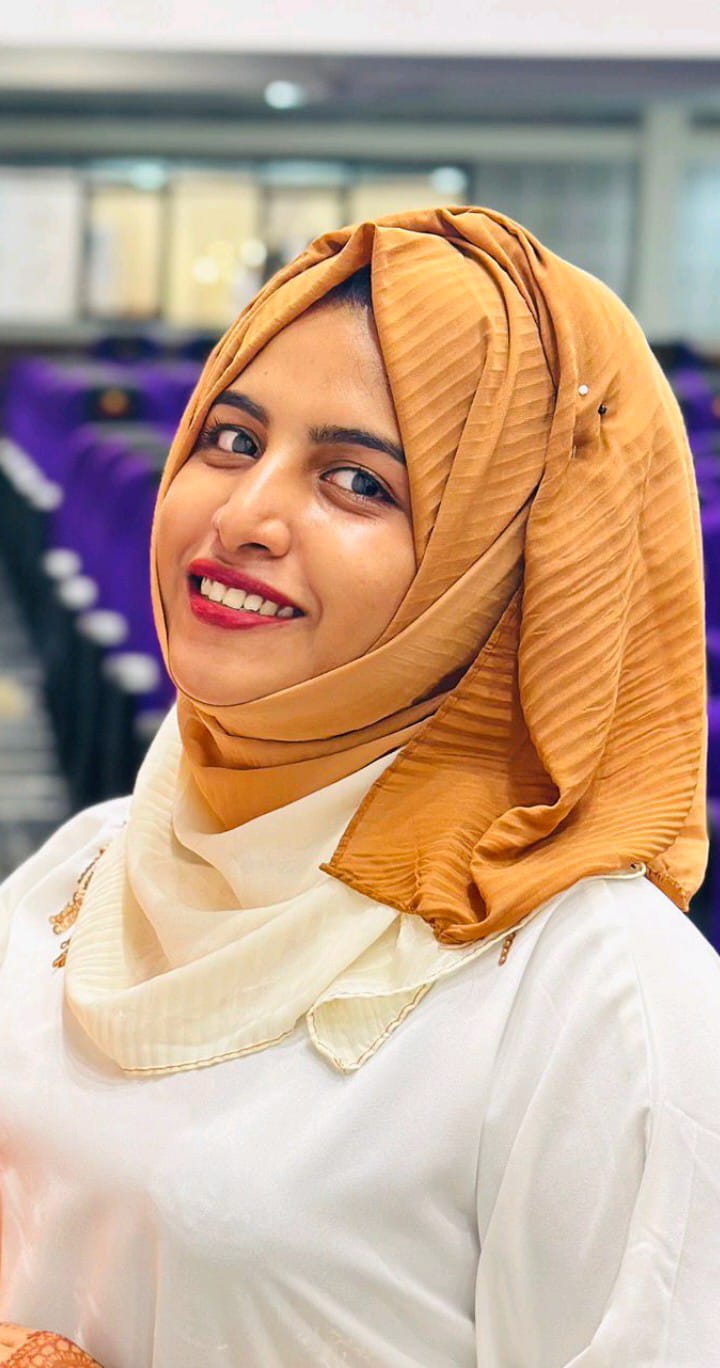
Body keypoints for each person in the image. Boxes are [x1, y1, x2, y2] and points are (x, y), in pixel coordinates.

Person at [0, 206, 718, 1368]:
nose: (243, 516)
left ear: (498, 562)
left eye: (357, 483)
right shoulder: (93, 858)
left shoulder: (594, 990)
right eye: (231, 438)